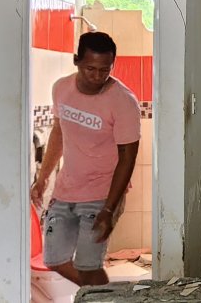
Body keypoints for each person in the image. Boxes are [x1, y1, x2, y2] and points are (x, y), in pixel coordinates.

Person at [31, 31, 140, 286]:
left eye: (105, 69)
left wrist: (110, 209)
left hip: (103, 193)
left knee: (89, 266)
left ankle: (100, 297)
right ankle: (106, 298)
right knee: (54, 259)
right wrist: (43, 178)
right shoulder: (61, 89)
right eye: (90, 68)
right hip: (67, 189)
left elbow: (128, 157)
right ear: (76, 60)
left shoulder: (123, 101)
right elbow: (59, 132)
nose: (98, 76)